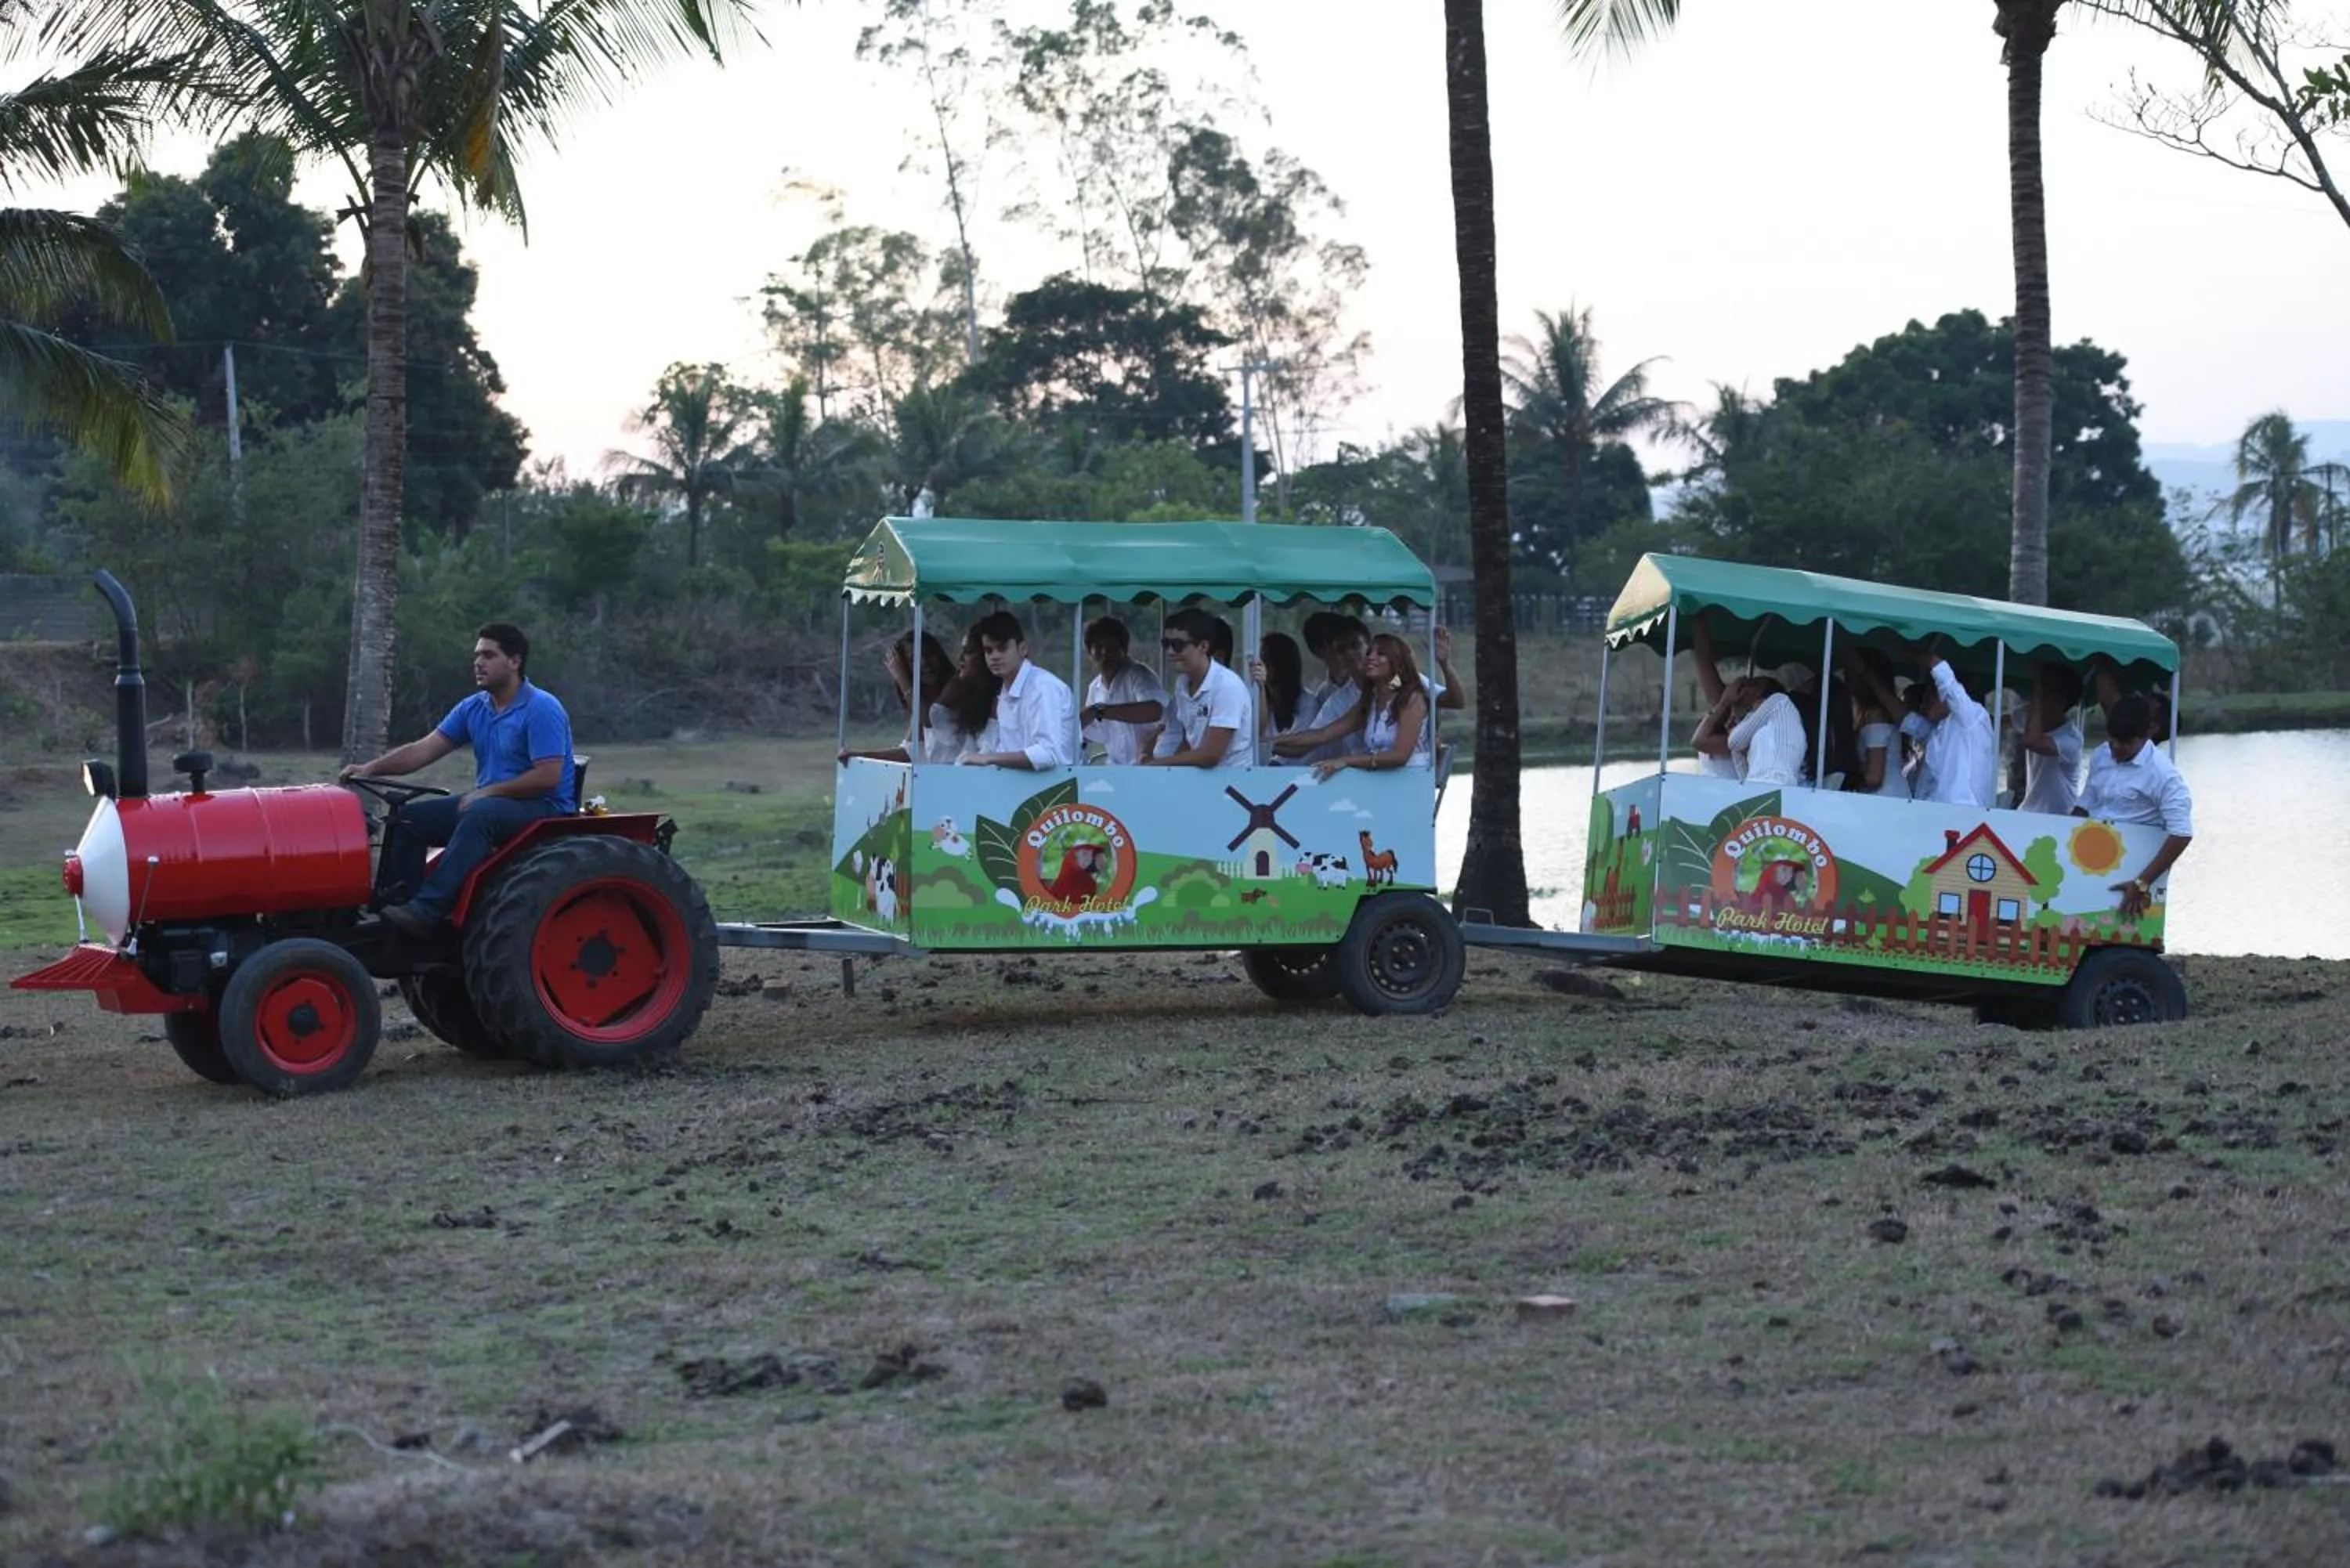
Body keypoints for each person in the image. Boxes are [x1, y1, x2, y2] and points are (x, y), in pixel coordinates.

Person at [342, 622, 576, 938]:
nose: (479, 663)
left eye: (489, 655)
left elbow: (548, 777)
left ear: (515, 661)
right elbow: (423, 750)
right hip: (495, 804)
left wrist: (488, 792)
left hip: (543, 808)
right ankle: (394, 909)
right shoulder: (474, 708)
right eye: (477, 656)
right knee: (410, 819)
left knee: (480, 813)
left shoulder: (542, 708)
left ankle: (428, 909)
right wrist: (370, 769)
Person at [2074, 693, 2193, 919]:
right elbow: (2087, 803)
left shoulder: (2163, 774)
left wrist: (2142, 882)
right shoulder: (2101, 755)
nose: (2116, 748)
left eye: (2126, 742)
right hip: (2087, 860)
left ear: (2147, 734)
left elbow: (2182, 833)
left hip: (2131, 870)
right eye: (2113, 740)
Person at [1278, 633, 1434, 775]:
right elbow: (1323, 734)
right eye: (1369, 653)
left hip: (1411, 784)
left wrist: (1346, 761)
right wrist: (1272, 742)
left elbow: (1401, 756)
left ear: (1398, 664)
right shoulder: (1371, 700)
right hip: (1380, 782)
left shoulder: (1411, 698)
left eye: (1380, 654)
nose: (1370, 657)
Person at [960, 611, 1076, 769]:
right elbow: (1008, 750)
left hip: (1058, 789)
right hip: (1020, 788)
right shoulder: (1005, 692)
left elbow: (1048, 754)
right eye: (989, 651)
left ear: (1023, 649)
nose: (995, 656)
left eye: (1002, 648)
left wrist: (989, 758)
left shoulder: (1044, 688)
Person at [1143, 607, 1252, 768]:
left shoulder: (1227, 685)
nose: (1170, 652)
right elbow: (1189, 743)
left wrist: (1157, 765)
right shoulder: (1182, 684)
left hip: (1233, 784)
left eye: (1178, 645)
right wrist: (1168, 773)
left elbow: (1210, 755)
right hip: (1202, 780)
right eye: (1166, 644)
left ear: (1204, 646)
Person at [842, 629, 962, 764]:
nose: (925, 662)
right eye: (914, 660)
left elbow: (931, 720)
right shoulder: (922, 703)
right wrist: (859, 755)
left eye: (929, 654)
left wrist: (901, 678)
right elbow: (908, 752)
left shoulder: (955, 685)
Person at [1080, 616, 1165, 765]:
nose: (1105, 653)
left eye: (1112, 647)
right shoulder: (1095, 688)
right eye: (1099, 647)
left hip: (1150, 767)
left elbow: (1156, 710)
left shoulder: (1139, 674)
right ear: (1089, 652)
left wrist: (1099, 710)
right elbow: (1092, 732)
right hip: (1116, 771)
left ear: (1124, 649)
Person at [2016, 661, 2085, 815]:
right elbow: (2001, 721)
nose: (2035, 699)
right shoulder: (2032, 720)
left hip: (2059, 819)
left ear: (2059, 700)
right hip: (2029, 812)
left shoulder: (2072, 739)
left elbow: (2032, 742)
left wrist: (2037, 694)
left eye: (2044, 690)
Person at [1843, 646, 1910, 798]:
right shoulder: (1871, 713)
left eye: (1851, 669)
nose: (1845, 674)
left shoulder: (1876, 714)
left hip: (1884, 800)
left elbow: (1873, 778)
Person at [1254, 631, 1313, 757]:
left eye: (1265, 659)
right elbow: (1255, 732)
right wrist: (1260, 689)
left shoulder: (1308, 703)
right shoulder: (1257, 698)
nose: (1260, 666)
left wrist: (1265, 745)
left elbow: (1301, 750)